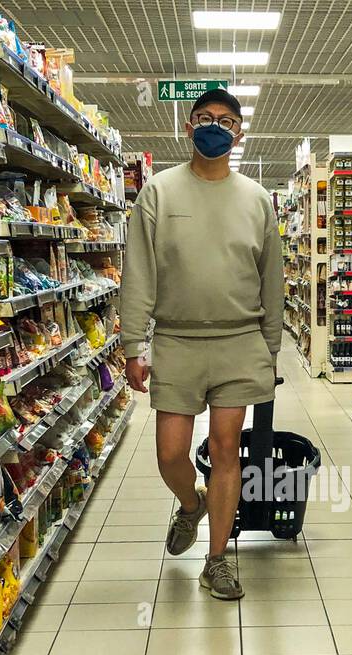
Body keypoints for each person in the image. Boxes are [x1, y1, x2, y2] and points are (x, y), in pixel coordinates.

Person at [120, 87, 283, 600]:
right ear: (187, 126)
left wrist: (270, 347)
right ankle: (190, 506)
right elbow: (139, 272)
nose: (215, 126)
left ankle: (216, 560)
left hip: (239, 341)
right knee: (170, 453)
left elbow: (271, 279)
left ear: (240, 132)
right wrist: (131, 343)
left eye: (226, 120)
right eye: (204, 117)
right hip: (176, 340)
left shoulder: (257, 199)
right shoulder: (160, 192)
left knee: (226, 448)